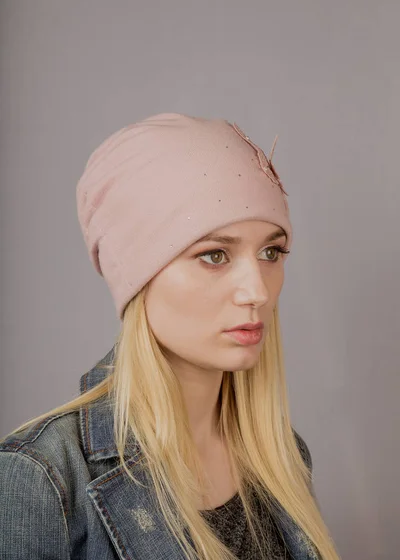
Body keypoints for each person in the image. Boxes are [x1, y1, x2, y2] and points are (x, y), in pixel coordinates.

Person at [0, 113, 340, 560]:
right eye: (214, 255)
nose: (257, 290)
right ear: (138, 277)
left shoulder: (282, 458)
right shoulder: (42, 477)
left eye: (270, 252)